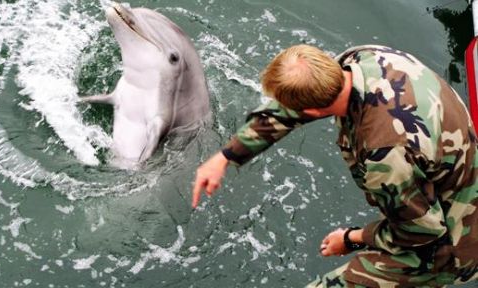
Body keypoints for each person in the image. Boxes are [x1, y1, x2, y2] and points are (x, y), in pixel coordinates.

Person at [191, 44, 478, 287]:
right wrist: (226, 156)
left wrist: (352, 239)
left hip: (455, 245)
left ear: (314, 112)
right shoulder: (361, 59)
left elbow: (422, 232)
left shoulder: (384, 156)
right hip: (449, 179)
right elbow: (294, 106)